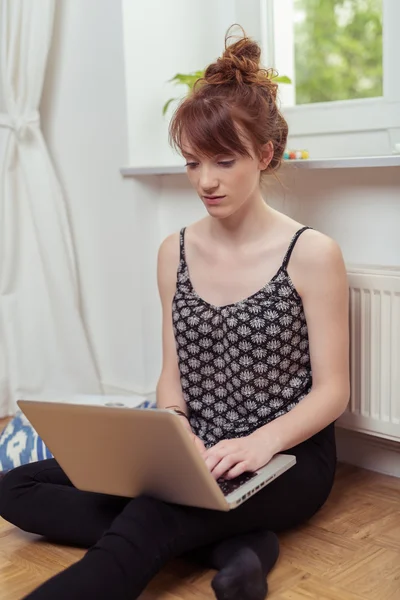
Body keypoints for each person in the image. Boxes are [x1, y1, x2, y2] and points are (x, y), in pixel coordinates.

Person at [0, 26, 349, 600]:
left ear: (265, 154)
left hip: (284, 457)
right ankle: (237, 547)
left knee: (154, 513)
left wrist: (262, 443)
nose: (205, 181)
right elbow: (173, 369)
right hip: (196, 448)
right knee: (16, 488)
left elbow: (333, 391)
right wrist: (170, 427)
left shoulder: (311, 253)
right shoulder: (174, 251)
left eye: (223, 160)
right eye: (192, 163)